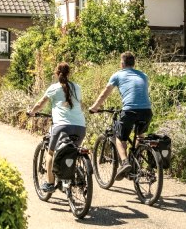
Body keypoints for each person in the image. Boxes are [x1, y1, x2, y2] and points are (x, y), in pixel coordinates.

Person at [89, 51, 152, 180]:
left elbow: (104, 94)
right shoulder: (143, 75)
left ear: (121, 64)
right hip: (146, 111)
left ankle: (125, 163)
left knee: (120, 138)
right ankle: (136, 159)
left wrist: (94, 107)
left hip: (129, 111)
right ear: (134, 63)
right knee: (140, 136)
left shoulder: (118, 75)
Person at [28, 62, 86, 193]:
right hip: (80, 127)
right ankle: (77, 174)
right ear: (69, 73)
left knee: (51, 153)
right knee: (73, 151)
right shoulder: (77, 87)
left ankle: (50, 183)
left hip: (61, 127)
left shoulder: (54, 88)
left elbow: (40, 104)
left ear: (56, 74)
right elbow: (79, 105)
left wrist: (31, 111)